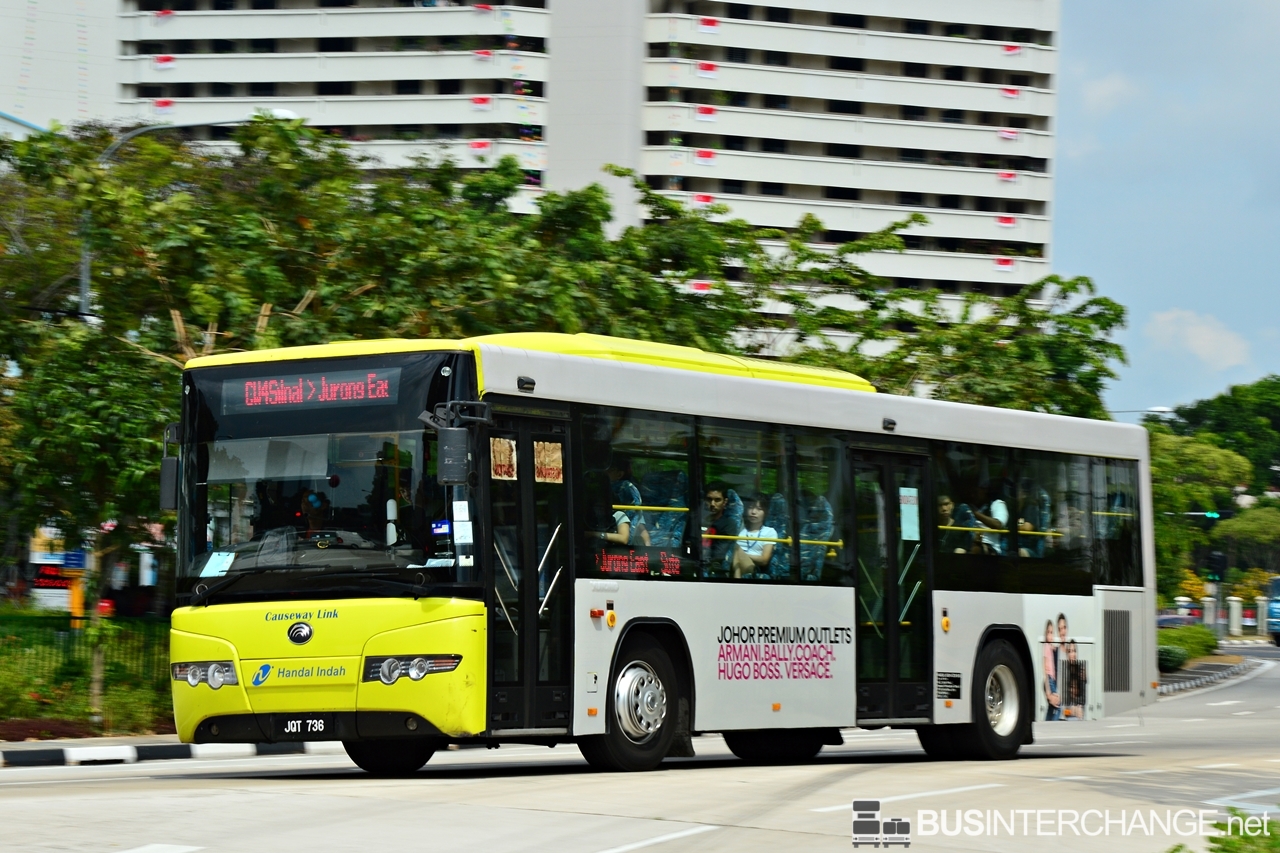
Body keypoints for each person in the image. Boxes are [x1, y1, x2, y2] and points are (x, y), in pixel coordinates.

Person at [731, 495, 777, 578]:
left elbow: (764, 560)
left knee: (736, 549)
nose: (753, 512)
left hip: (754, 568)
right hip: (732, 565)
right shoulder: (739, 530)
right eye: (750, 508)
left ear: (765, 512)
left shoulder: (770, 532)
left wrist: (742, 555)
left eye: (759, 509)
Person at [702, 481, 740, 570]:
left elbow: (719, 554)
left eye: (717, 500)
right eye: (709, 499)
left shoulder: (729, 524)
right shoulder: (696, 520)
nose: (712, 504)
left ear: (725, 502)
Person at [1042, 620, 1060, 720]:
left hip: (1052, 679)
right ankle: (1053, 726)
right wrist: (1048, 689)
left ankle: (1046, 724)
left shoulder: (1050, 647)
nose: (1050, 635)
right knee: (1058, 705)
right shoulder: (1045, 646)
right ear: (1045, 633)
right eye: (1049, 632)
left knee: (1051, 707)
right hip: (1049, 680)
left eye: (1052, 632)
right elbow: (1044, 669)